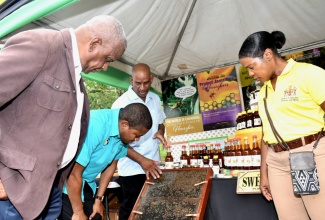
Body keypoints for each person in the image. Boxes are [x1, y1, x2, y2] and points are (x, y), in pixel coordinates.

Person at [0, 15, 127, 220]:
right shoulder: (42, 45)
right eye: (108, 59)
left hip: (49, 194)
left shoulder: (78, 81)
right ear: (95, 44)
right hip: (14, 193)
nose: (105, 67)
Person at [238, 31, 325, 220]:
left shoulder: (308, 74)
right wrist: (264, 172)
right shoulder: (264, 92)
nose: (251, 73)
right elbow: (266, 134)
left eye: (251, 67)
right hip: (277, 162)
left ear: (268, 55)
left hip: (310, 155)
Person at [59, 103, 152, 220]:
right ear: (124, 124)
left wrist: (98, 200)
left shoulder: (122, 132)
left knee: (97, 217)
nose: (137, 139)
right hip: (64, 184)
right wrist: (78, 212)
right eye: (136, 135)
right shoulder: (95, 125)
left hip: (86, 183)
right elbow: (72, 174)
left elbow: (111, 165)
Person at [111, 63, 167, 220]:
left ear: (152, 80)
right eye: (138, 83)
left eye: (146, 83)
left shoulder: (155, 99)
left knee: (154, 209)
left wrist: (160, 132)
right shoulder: (120, 104)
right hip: (132, 169)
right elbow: (117, 141)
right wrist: (142, 161)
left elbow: (161, 122)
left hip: (154, 165)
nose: (142, 87)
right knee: (132, 210)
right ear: (131, 80)